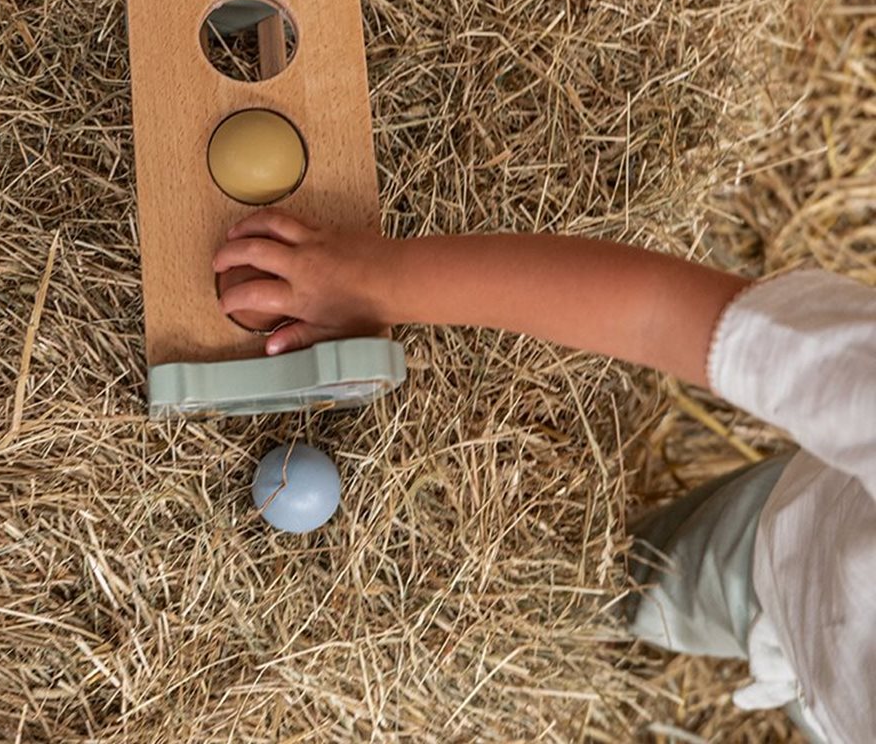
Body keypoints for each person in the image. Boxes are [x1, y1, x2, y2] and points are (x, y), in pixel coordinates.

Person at [213, 208, 876, 744]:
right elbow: (660, 312)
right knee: (656, 580)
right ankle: (610, 594)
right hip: (779, 559)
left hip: (827, 700)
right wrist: (374, 279)